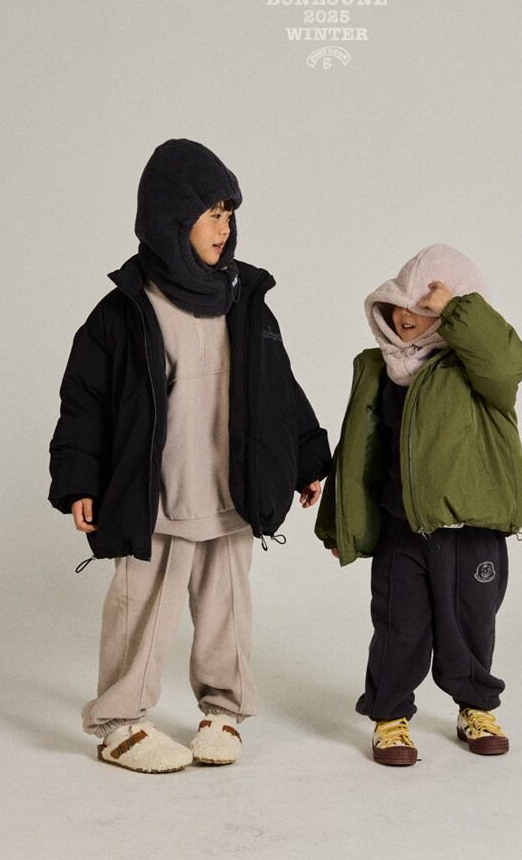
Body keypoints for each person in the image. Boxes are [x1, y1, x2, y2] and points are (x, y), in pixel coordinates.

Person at [48, 138, 331, 773]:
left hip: (231, 489)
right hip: (155, 495)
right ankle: (119, 722)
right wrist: (78, 480)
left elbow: (278, 386)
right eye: (211, 215)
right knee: (140, 610)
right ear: (170, 220)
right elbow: (85, 402)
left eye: (229, 214)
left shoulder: (243, 298)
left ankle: (224, 712)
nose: (224, 228)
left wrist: (307, 458)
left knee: (227, 608)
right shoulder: (125, 311)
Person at [315, 243, 522, 765]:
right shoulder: (378, 369)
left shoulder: (479, 372)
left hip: (471, 528)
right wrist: (339, 525)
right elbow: (357, 452)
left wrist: (455, 308)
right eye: (400, 304)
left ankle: (476, 707)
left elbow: (508, 361)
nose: (406, 317)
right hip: (403, 529)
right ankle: (389, 716)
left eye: (423, 307)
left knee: (471, 623)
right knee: (399, 625)